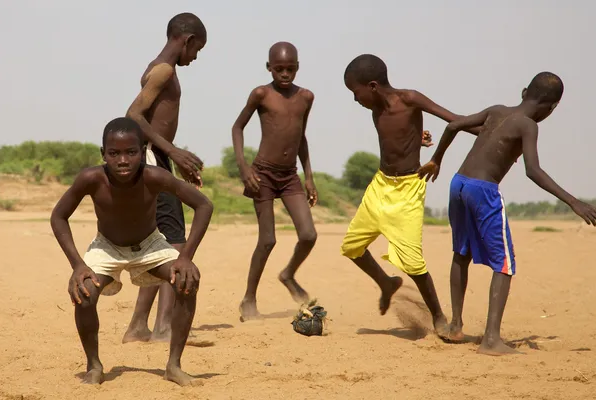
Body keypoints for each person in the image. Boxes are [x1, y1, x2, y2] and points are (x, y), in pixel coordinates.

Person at [417, 71, 596, 355]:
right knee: (504, 264)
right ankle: (491, 340)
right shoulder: (528, 125)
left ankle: (455, 326)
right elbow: (533, 170)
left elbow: (453, 126)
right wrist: (574, 202)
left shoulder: (497, 111)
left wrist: (435, 160)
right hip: (482, 191)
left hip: (458, 183)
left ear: (524, 92)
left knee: (461, 255)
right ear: (551, 108)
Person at [50, 118, 213, 385]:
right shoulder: (91, 179)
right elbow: (58, 217)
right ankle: (94, 366)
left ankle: (174, 366)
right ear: (103, 154)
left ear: (143, 152)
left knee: (187, 280)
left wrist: (185, 257)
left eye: (131, 152)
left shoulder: (155, 176)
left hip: (150, 245)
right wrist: (77, 264)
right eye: (114, 153)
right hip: (107, 246)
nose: (123, 160)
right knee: (85, 292)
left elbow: (203, 205)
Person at [340, 54, 478, 338]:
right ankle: (386, 283)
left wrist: (491, 135)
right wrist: (420, 138)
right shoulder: (375, 109)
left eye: (356, 93)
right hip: (379, 187)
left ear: (373, 86)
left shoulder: (411, 99)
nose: (355, 100)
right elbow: (400, 139)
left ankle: (439, 316)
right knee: (352, 247)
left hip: (408, 189)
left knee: (414, 263)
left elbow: (455, 120)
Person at [123, 12, 207, 343]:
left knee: (163, 244)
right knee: (175, 245)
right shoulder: (163, 70)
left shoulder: (161, 68)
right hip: (152, 160)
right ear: (186, 41)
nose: (196, 57)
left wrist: (173, 158)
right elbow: (133, 115)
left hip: (156, 160)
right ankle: (163, 329)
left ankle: (138, 326)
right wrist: (172, 153)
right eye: (197, 49)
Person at [231, 42, 318, 321]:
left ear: (297, 67)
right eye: (278, 68)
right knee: (267, 240)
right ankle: (248, 300)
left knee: (308, 235)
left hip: (290, 176)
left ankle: (288, 274)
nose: (284, 74)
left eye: (290, 68)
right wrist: (244, 167)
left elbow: (301, 137)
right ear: (269, 67)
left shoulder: (306, 97)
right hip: (263, 175)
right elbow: (237, 127)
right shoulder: (261, 94)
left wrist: (309, 177)